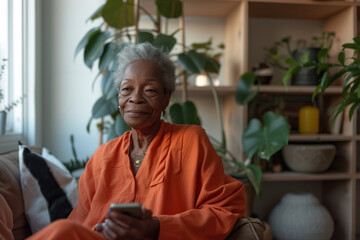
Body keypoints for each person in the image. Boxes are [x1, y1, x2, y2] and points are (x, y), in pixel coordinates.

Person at [27, 42, 245, 240]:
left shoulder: (191, 141)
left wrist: (157, 227)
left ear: (166, 99)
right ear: (119, 98)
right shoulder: (102, 157)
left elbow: (224, 209)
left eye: (150, 90)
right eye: (127, 89)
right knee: (63, 231)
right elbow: (80, 221)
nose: (135, 98)